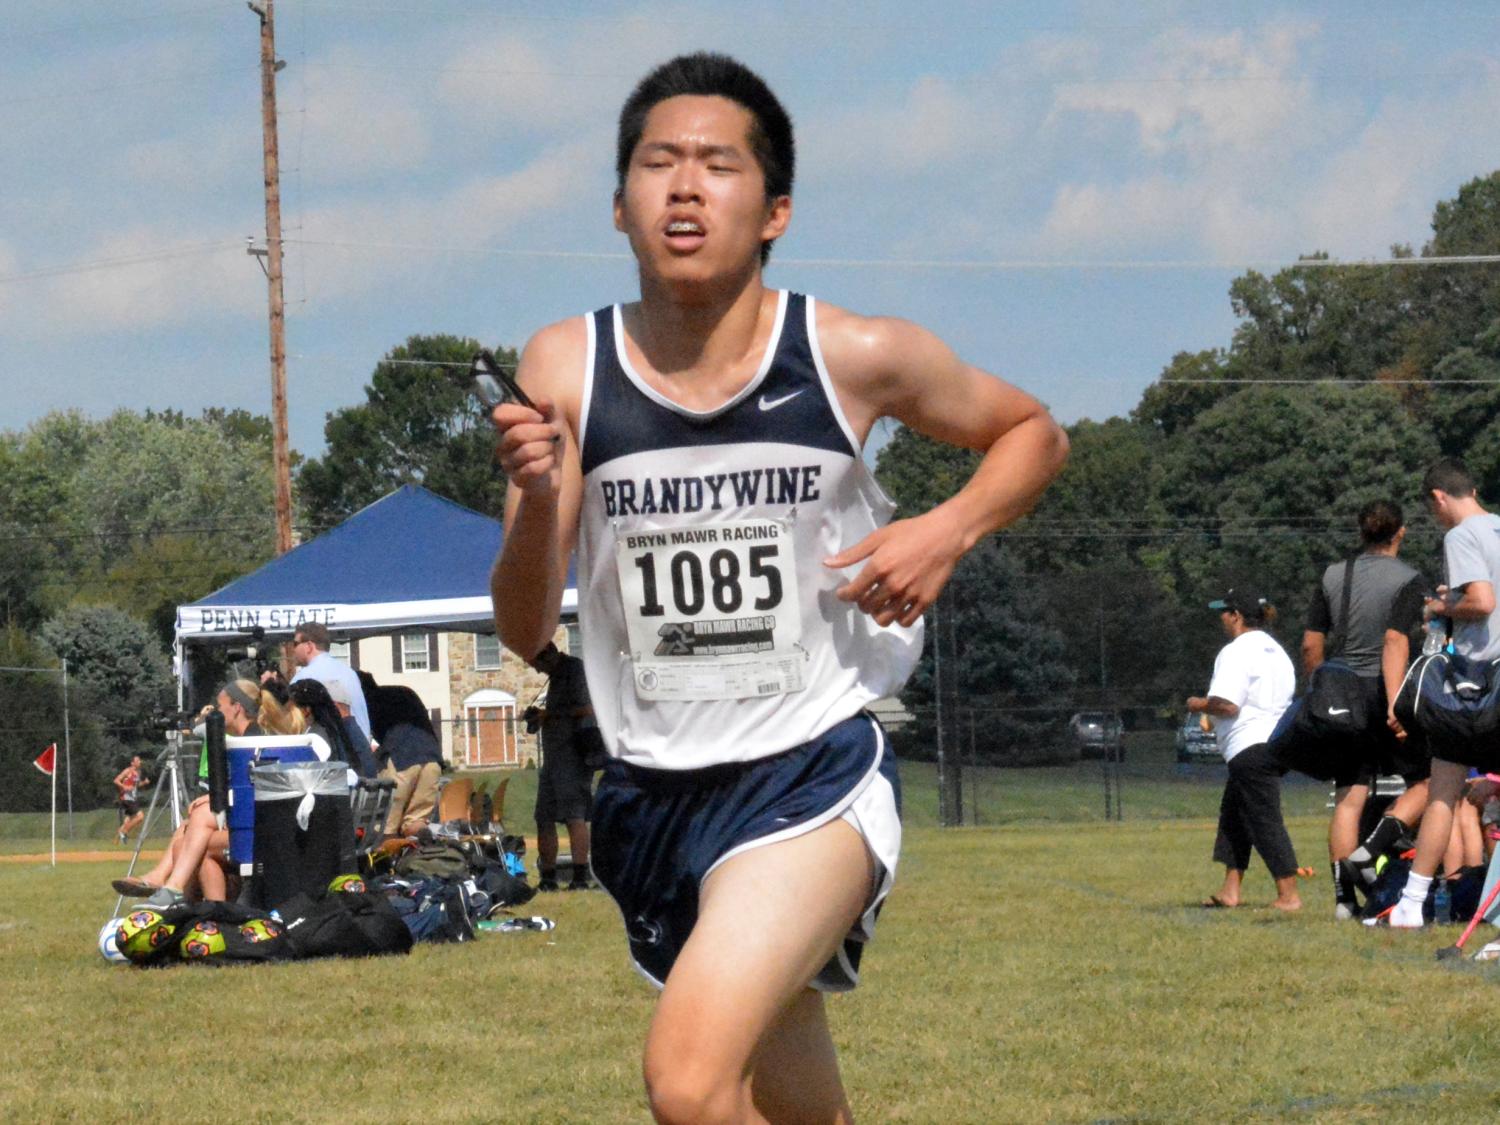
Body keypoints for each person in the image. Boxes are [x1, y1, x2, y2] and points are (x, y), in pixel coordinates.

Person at [487, 52, 1067, 1124]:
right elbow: (525, 626)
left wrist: (943, 531)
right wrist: (531, 498)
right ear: (618, 205)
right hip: (652, 791)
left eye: (718, 165)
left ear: (776, 211)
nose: (686, 187)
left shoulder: (849, 353)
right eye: (658, 163)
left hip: (811, 772)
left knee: (689, 1081)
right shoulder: (567, 366)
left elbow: (1032, 432)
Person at [1382, 458, 1500, 928]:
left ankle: (1411, 904)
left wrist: (1440, 606)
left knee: (1443, 791)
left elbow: (1483, 602)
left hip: (1476, 685)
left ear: (1438, 498)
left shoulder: (1460, 535)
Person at [1299, 500, 1429, 919]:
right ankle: (1370, 852)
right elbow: (1396, 641)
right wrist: (1396, 703)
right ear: (1401, 532)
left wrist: (1320, 688)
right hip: (1386, 690)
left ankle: (1343, 902)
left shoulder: (1333, 575)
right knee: (1427, 782)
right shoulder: (1410, 579)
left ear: (1360, 531)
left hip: (1341, 694)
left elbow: (1311, 644)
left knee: (1349, 797)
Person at [114, 679, 308, 906]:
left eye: (220, 705)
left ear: (237, 708)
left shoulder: (253, 744)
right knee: (186, 832)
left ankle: (183, 896)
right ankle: (176, 892)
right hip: (252, 826)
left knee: (197, 830)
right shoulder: (245, 740)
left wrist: (215, 799)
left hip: (261, 833)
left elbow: (252, 796)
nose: (216, 712)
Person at [1188, 587, 1299, 911]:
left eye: (1224, 612)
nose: (1221, 618)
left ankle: (1289, 895)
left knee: (1264, 819)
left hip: (1249, 746)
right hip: (1277, 742)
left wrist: (1199, 704)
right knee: (1234, 816)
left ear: (1236, 615)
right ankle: (1230, 891)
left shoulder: (1237, 651)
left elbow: (1227, 704)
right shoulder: (1277, 652)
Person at [528, 641, 597, 892]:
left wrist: (550, 715)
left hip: (573, 757)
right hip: (553, 758)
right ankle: (548, 877)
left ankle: (579, 877)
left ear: (549, 655)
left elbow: (588, 708)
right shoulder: (555, 677)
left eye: (538, 665)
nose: (538, 670)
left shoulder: (575, 670)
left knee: (574, 816)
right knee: (543, 817)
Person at [287, 622, 370, 738]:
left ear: (309, 646)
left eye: (295, 644)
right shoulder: (349, 673)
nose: (293, 649)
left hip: (327, 746)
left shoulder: (303, 678)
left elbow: (293, 725)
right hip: (359, 742)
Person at [113, 754, 150, 844]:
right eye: (137, 761)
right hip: (126, 797)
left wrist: (144, 783)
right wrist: (124, 786)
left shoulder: (137, 773)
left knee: (129, 819)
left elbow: (135, 786)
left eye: (139, 760)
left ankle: (116, 840)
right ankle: (124, 832)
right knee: (140, 817)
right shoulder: (127, 771)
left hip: (133, 798)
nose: (139, 762)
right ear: (132, 763)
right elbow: (116, 780)